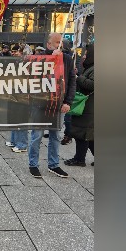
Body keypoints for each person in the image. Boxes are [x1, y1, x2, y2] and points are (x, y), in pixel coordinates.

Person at [28, 33, 76, 178]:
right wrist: (52, 60)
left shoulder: (67, 59)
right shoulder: (40, 58)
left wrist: (68, 101)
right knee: (37, 135)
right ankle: (33, 164)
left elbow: (72, 81)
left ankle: (53, 164)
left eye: (61, 42)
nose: (59, 45)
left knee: (55, 136)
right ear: (49, 45)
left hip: (59, 104)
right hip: (41, 104)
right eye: (56, 42)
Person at [65, 43, 94, 167]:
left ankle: (79, 159)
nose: (83, 56)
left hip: (88, 106)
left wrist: (78, 77)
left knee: (82, 133)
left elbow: (92, 85)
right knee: (88, 135)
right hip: (86, 106)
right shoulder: (90, 67)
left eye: (86, 54)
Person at [5, 44, 29, 153]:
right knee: (14, 118)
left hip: (23, 97)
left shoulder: (28, 64)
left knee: (21, 120)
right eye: (13, 51)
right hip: (14, 94)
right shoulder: (15, 62)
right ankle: (14, 141)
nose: (13, 53)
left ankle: (22, 144)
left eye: (16, 51)